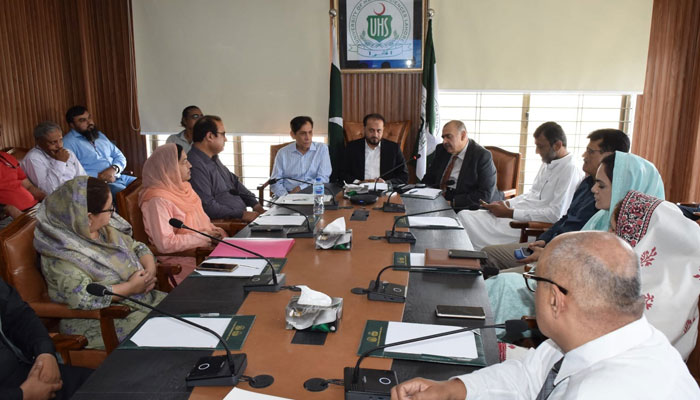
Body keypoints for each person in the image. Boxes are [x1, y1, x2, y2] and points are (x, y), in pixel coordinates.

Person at [391, 232, 700, 399]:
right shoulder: (597, 339)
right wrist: (452, 390)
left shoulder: (602, 391)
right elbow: (529, 377)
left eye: (534, 280)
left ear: (555, 300)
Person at [484, 152, 666, 340]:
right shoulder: (601, 217)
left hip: (574, 303)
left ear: (625, 188)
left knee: (501, 286)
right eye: (595, 182)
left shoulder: (640, 238)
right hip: (557, 284)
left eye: (601, 185)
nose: (594, 189)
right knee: (496, 284)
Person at [33, 177, 166, 349]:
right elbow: (82, 297)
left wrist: (150, 270)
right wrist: (131, 288)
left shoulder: (103, 230)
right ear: (88, 217)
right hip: (102, 320)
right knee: (170, 333)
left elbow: (136, 247)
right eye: (109, 209)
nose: (113, 213)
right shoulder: (61, 254)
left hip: (141, 301)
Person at [481, 129, 630, 272]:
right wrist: (545, 240)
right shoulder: (586, 184)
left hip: (566, 256)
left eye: (591, 151)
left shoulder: (613, 198)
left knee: (497, 272)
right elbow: (565, 217)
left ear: (610, 156)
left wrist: (549, 250)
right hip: (551, 244)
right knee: (486, 254)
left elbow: (581, 238)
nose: (584, 155)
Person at [458, 122, 583, 250]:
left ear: (557, 145)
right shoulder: (549, 162)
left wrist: (512, 213)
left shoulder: (570, 169)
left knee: (466, 220)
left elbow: (555, 214)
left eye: (540, 147)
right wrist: (506, 204)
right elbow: (531, 194)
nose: (537, 151)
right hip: (516, 214)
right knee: (464, 215)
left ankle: (473, 260)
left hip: (529, 225)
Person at [613, 190, 700, 359]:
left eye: (616, 231)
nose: (611, 236)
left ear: (636, 235)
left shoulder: (658, 291)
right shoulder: (679, 274)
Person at [139, 143, 226, 283]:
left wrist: (215, 233)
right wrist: (205, 238)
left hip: (206, 251)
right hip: (183, 261)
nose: (190, 165)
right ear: (169, 168)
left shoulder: (184, 188)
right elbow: (165, 244)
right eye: (184, 161)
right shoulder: (157, 200)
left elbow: (203, 221)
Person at [0, 277, 92, 400]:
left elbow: (18, 316)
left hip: (26, 374)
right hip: (15, 392)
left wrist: (45, 354)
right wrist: (22, 395)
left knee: (108, 386)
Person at [188, 115, 265, 222]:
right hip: (228, 224)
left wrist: (256, 205)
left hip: (241, 219)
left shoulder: (214, 158)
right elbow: (208, 206)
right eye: (223, 134)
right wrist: (242, 214)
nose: (226, 139)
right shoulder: (194, 165)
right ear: (210, 136)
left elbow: (235, 183)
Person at [422, 120, 500, 210]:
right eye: (443, 137)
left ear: (463, 135)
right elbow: (428, 179)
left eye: (448, 137)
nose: (444, 142)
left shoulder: (481, 155)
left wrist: (452, 203)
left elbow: (485, 194)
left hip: (464, 205)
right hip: (437, 200)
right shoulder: (441, 150)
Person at [62, 105, 136, 197]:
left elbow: (119, 156)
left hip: (119, 176)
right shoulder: (68, 143)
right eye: (82, 120)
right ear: (72, 125)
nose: (89, 122)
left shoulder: (99, 135)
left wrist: (114, 169)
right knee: (128, 196)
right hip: (99, 185)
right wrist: (100, 176)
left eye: (89, 117)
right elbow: (71, 174)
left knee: (147, 184)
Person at [270, 116, 331, 197]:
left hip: (314, 195)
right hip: (288, 194)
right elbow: (275, 182)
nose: (308, 138)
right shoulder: (283, 153)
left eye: (310, 132)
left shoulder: (322, 149)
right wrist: (286, 197)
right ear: (293, 135)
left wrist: (301, 188)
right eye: (303, 133)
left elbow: (323, 178)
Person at [21, 121, 86, 195]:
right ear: (39, 141)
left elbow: (82, 177)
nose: (59, 146)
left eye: (61, 140)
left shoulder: (67, 152)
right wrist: (60, 162)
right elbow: (48, 191)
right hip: (55, 200)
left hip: (76, 195)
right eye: (53, 142)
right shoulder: (33, 158)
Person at [342, 113, 408, 185]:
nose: (375, 135)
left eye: (379, 131)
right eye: (371, 130)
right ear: (364, 129)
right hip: (359, 191)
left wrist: (386, 183)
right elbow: (342, 173)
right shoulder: (352, 147)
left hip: (385, 191)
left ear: (383, 130)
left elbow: (404, 176)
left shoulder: (394, 149)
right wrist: (358, 182)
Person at [0, 146, 45, 230]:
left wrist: (45, 197)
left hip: (35, 209)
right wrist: (5, 208)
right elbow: (9, 209)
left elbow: (28, 186)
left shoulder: (6, 157)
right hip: (9, 218)